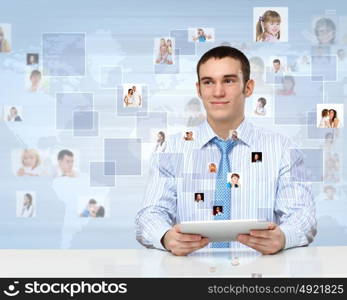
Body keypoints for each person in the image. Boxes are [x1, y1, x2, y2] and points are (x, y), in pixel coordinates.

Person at [136, 46, 316, 256]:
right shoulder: (172, 149)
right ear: (199, 90)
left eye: (228, 81)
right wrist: (166, 237)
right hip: (190, 275)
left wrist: (284, 237)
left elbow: (302, 215)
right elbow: (150, 213)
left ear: (248, 88)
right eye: (208, 82)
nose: (218, 92)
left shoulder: (282, 148)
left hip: (260, 277)